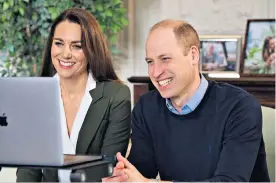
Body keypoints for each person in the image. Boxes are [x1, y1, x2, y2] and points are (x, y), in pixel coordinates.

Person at [103, 19, 269, 182]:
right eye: (150, 62)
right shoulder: (147, 107)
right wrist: (123, 177)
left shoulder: (240, 106)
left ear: (193, 55)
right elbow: (140, 173)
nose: (155, 72)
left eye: (165, 59)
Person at [16, 7, 131, 182]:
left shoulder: (116, 96)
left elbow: (108, 172)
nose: (66, 54)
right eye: (59, 43)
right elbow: (28, 173)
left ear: (92, 50)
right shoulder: (35, 98)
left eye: (77, 46)